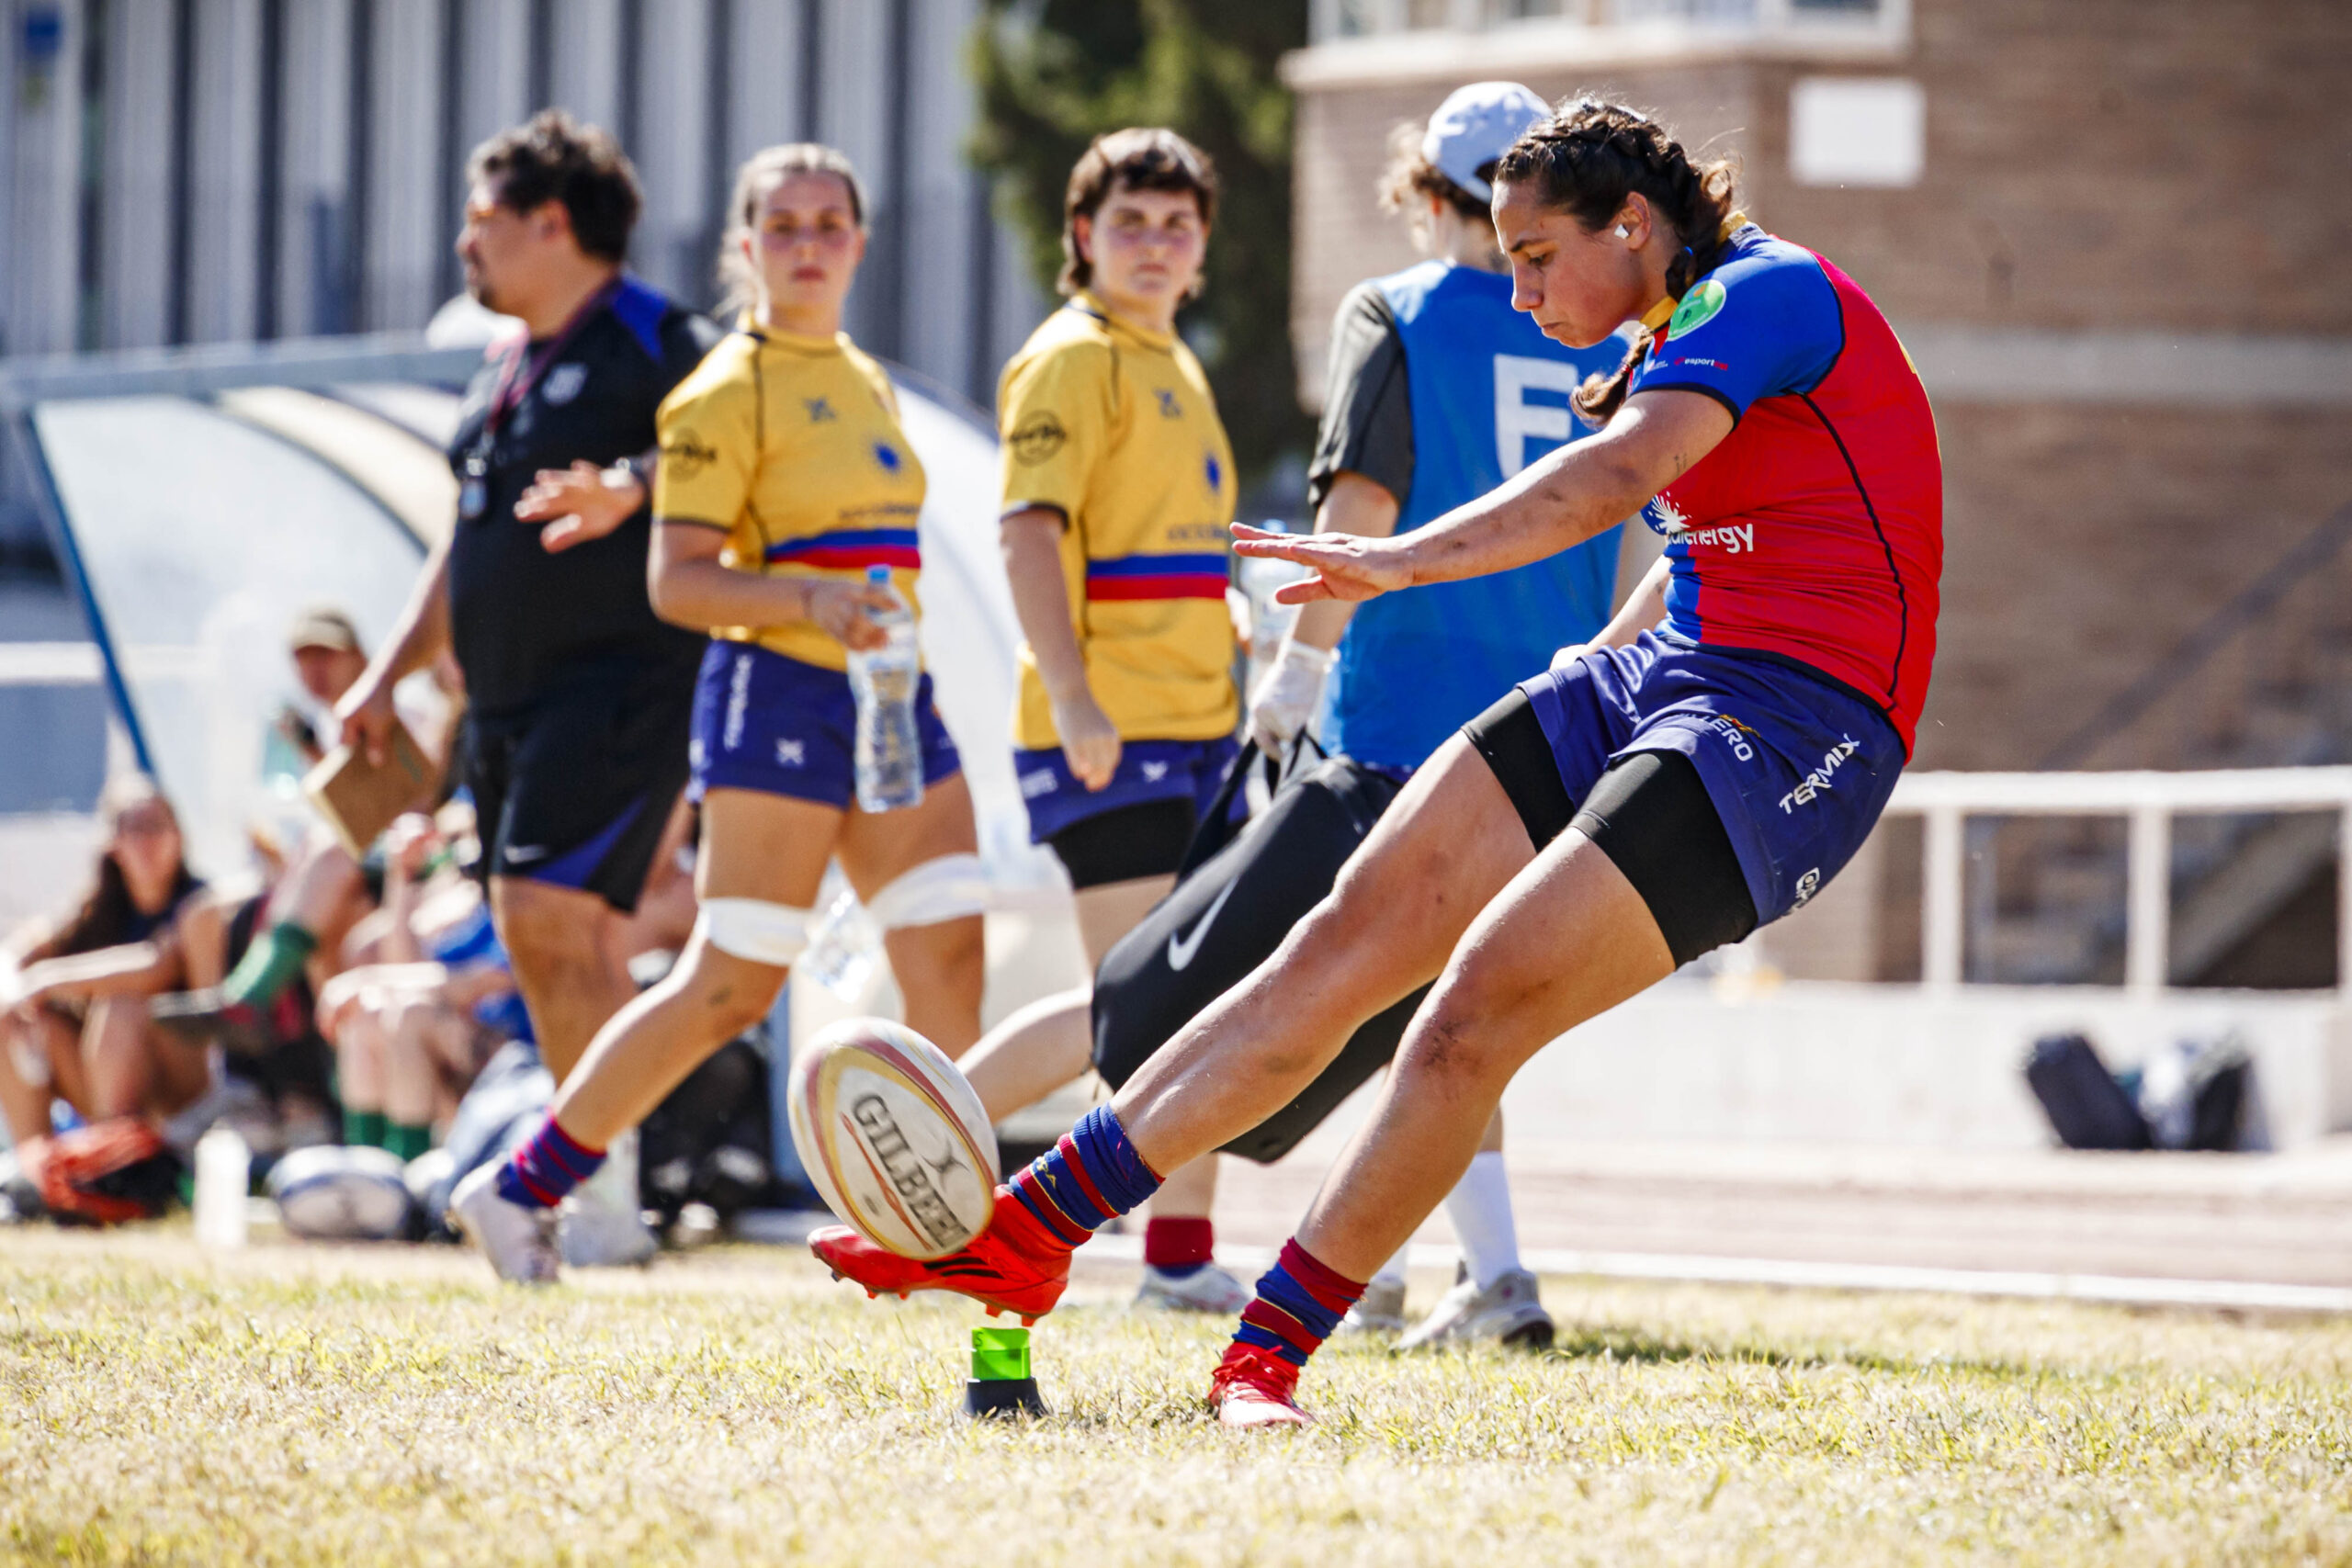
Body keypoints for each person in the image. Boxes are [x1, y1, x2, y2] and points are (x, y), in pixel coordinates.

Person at [812, 97, 1943, 1428]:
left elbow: (1608, 481)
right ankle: (1028, 1226)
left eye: (1535, 257)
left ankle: (1263, 1361)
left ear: (1632, 224)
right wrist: (1591, 675)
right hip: (1660, 673)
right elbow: (1708, 556)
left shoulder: (1770, 292)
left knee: (1467, 1014)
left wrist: (1394, 563)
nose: (1519, 293)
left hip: (1799, 729)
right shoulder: (1663, 329)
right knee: (1334, 943)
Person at [447, 143, 989, 1282]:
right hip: (776, 695)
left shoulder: (862, 374)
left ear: (859, 242)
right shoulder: (716, 390)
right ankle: (519, 1186)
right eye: (780, 226)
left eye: (828, 223)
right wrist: (808, 600)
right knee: (732, 978)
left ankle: (945, 1234)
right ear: (745, 249)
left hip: (891, 694)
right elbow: (676, 582)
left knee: (948, 944)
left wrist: (866, 633)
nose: (806, 245)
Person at [1243, 82, 1633, 1349]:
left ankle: (1430, 1268)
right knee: (1461, 998)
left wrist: (1294, 669)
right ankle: (1437, 1266)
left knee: (1381, 984)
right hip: (1560, 693)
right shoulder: (1603, 326)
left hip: (1409, 691)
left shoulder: (1400, 311)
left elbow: (1358, 507)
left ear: (1422, 193)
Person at [334, 112, 722, 1257]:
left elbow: (733, 456)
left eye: (482, 217)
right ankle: (598, 1198)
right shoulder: (503, 366)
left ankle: (598, 1201)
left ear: (553, 223)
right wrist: (381, 679)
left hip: (620, 684)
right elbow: (464, 549)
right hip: (499, 709)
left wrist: (630, 482)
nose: (466, 240)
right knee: (549, 935)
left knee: (555, 922)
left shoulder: (660, 338)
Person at [946, 128, 1250, 1312]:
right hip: (1106, 729)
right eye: (1130, 221)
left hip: (1199, 724)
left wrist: (1226, 618)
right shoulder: (1072, 357)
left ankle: (1176, 1258)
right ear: (1082, 236)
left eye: (1177, 225)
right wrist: (1072, 697)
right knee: (1142, 995)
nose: (1155, 243)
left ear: (1203, 247)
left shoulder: (1172, 359)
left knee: (1211, 988)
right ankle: (918, 1133)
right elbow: (1028, 534)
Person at [0, 776, 217, 1144]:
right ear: (114, 845)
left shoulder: (196, 905)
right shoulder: (100, 911)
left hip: (184, 1078)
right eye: (134, 829)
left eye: (157, 827)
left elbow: (155, 967)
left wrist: (47, 979)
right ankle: (37, 1166)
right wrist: (16, 993)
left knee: (121, 1005)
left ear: (178, 837)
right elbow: (17, 952)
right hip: (102, 1083)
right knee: (14, 1018)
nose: (147, 841)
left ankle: (117, 1162)